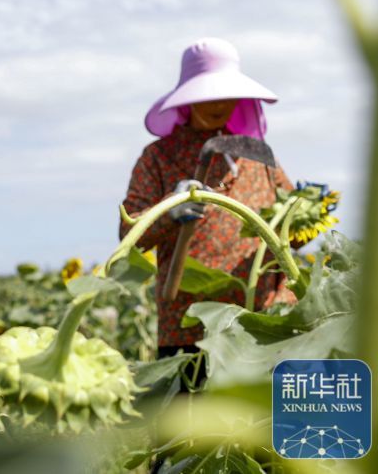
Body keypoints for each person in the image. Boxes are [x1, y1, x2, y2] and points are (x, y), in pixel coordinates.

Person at [120, 37, 293, 389]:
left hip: (261, 323)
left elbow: (293, 228)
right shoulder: (158, 157)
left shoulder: (258, 157)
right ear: (189, 99)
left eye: (227, 94)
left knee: (259, 431)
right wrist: (170, 210)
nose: (219, 104)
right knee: (187, 432)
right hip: (187, 325)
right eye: (208, 95)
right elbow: (130, 235)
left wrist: (309, 216)